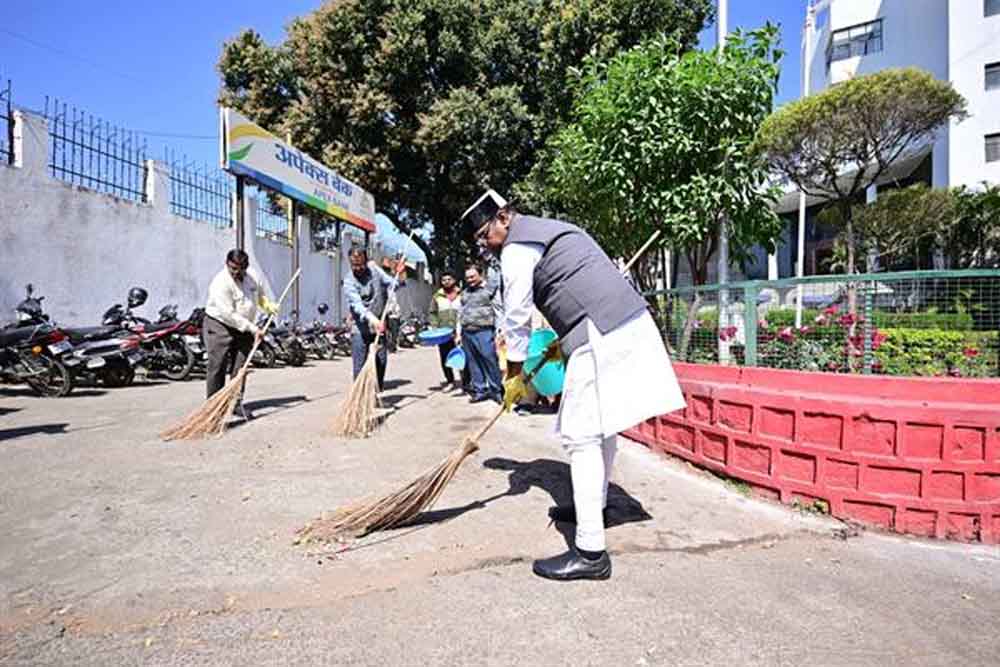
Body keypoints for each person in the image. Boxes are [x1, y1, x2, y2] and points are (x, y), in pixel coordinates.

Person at [462, 189, 685, 582]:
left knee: (581, 433)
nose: (485, 243)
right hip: (615, 324)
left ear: (504, 217)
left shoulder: (516, 248)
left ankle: (590, 552)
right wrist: (561, 338)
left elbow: (517, 315)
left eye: (485, 233)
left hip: (603, 331)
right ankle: (594, 509)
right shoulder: (550, 230)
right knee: (601, 427)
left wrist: (514, 373)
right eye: (479, 240)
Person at [203, 248, 276, 420]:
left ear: (246, 266)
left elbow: (260, 297)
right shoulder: (220, 283)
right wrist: (253, 329)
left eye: (239, 268)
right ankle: (214, 406)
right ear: (227, 264)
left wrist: (268, 306)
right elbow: (229, 314)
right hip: (220, 324)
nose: (235, 272)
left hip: (245, 327)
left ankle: (235, 404)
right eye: (232, 268)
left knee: (241, 367)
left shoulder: (252, 276)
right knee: (217, 366)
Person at [344, 246, 405, 392]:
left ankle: (376, 392)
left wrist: (401, 273)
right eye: (354, 265)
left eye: (361, 264)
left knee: (381, 360)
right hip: (361, 328)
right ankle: (360, 397)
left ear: (367, 260)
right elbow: (358, 306)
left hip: (379, 325)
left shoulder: (374, 270)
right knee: (360, 364)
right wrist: (373, 320)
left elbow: (393, 284)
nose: (358, 268)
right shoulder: (349, 281)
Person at [458, 263, 504, 404]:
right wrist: (458, 332)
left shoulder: (489, 290)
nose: (470, 280)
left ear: (481, 275)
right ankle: (480, 390)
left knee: (490, 360)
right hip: (467, 332)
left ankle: (496, 391)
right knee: (473, 363)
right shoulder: (465, 292)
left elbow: (498, 310)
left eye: (472, 276)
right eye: (467, 278)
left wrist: (500, 331)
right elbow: (460, 312)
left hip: (484, 331)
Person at [427, 272, 467, 391]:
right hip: (443, 333)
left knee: (462, 356)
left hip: (460, 331)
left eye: (449, 279)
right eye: (444, 280)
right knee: (445, 357)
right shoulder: (437, 296)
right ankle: (450, 381)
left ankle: (465, 382)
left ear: (454, 280)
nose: (446, 282)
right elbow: (432, 312)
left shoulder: (462, 294)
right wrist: (434, 326)